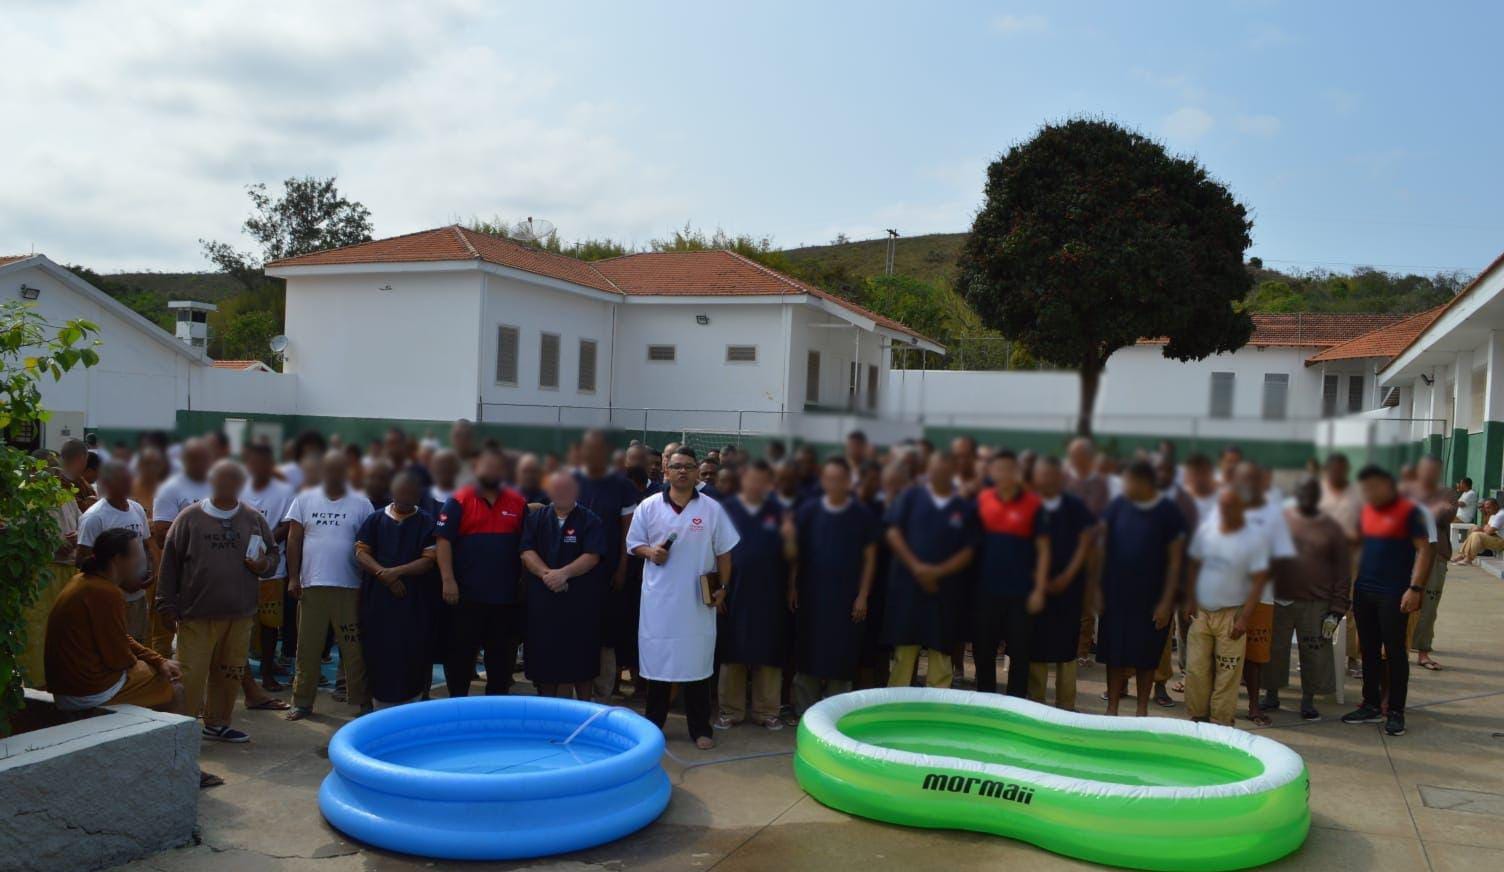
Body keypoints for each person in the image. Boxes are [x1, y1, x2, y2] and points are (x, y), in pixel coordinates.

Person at [156, 460, 277, 743]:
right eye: (221, 480)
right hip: (197, 615)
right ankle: (181, 731)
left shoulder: (253, 519)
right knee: (190, 677)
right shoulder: (188, 518)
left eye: (233, 480)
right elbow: (169, 564)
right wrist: (165, 604)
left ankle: (218, 723)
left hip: (240, 614)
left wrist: (263, 565)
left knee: (230, 671)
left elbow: (272, 556)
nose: (226, 486)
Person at [626, 448, 739, 749]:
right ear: (666, 471)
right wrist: (650, 552)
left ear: (695, 472)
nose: (683, 472)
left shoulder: (712, 509)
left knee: (697, 665)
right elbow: (634, 543)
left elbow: (725, 553)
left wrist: (723, 588)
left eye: (689, 467)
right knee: (659, 665)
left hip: (696, 603)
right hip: (660, 603)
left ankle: (700, 728)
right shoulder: (649, 507)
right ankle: (654, 725)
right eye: (677, 467)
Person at [1342, 465, 1434, 737]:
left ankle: (1395, 711)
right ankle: (1370, 704)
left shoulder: (1409, 512)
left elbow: (1425, 550)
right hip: (1364, 590)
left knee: (1394, 652)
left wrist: (1415, 588)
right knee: (1368, 650)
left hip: (1394, 592)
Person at [284, 449, 376, 720]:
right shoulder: (304, 499)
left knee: (354, 649)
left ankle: (362, 702)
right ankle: (302, 702)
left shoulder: (361, 503)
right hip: (312, 586)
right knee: (308, 648)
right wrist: (292, 577)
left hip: (350, 587)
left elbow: (369, 545)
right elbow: (293, 540)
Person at [47, 529, 182, 712]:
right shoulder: (106, 593)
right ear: (118, 559)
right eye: (136, 557)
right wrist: (154, 665)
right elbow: (119, 660)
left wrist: (157, 660)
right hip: (88, 691)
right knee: (174, 687)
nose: (140, 563)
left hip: (71, 688)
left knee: (161, 668)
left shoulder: (83, 580)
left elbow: (120, 638)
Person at [435, 447, 528, 697]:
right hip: (466, 597)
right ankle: (457, 707)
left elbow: (526, 546)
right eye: (487, 466)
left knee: (501, 663)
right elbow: (443, 542)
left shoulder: (518, 503)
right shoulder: (459, 500)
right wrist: (448, 580)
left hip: (505, 599)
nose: (492, 471)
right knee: (460, 658)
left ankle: (494, 713)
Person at [1096, 461, 1185, 717]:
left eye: (1129, 481)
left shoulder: (1168, 512)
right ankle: (1111, 709)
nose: (1125, 486)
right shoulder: (1118, 506)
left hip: (1153, 598)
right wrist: (1098, 590)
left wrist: (1167, 602)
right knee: (1114, 654)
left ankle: (1141, 710)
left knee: (1146, 657)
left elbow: (1176, 561)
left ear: (1145, 483)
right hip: (1116, 595)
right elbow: (1102, 548)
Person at [791, 458, 879, 713]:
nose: (834, 484)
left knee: (842, 656)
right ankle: (805, 712)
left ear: (848, 482)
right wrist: (792, 586)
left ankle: (835, 713)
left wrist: (863, 595)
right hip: (812, 597)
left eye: (839, 479)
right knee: (808, 653)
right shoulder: (808, 510)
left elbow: (870, 558)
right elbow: (797, 553)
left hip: (846, 598)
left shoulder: (861, 514)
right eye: (829, 478)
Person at [884, 453, 978, 689]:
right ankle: (895, 711)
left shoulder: (962, 508)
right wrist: (917, 568)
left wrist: (937, 572)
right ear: (928, 470)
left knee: (941, 655)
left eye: (946, 470)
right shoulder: (910, 497)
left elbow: (969, 550)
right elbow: (893, 532)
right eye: (936, 469)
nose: (940, 474)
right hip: (909, 589)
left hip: (944, 592)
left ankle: (938, 711)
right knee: (904, 655)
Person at [716, 461, 793, 729]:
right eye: (752, 479)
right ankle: (730, 711)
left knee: (768, 653)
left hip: (770, 593)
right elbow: (714, 552)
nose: (756, 484)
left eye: (762, 480)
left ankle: (766, 712)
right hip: (734, 591)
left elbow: (793, 557)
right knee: (732, 652)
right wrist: (720, 590)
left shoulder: (780, 511)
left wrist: (791, 538)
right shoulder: (726, 510)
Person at [1184, 489, 1271, 726]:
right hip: (1202, 611)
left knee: (1228, 674)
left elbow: (1259, 580)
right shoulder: (1206, 531)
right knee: (1196, 669)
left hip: (1232, 615)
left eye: (1231, 506)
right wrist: (1190, 599)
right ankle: (1197, 716)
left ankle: (1221, 721)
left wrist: (1245, 618)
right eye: (1222, 506)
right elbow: (1193, 565)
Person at [354, 470, 439, 708]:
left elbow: (428, 560)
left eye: (411, 494)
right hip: (378, 601)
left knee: (412, 651)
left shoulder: (426, 522)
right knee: (377, 650)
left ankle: (414, 702)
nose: (405, 498)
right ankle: (372, 703)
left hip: (414, 603)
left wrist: (397, 572)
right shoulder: (376, 519)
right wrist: (385, 575)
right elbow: (361, 552)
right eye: (401, 493)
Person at [1268, 477, 1350, 720]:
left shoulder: (1332, 528)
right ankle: (1271, 694)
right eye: (1302, 492)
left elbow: (1343, 571)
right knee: (1275, 650)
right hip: (1280, 600)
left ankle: (1308, 699)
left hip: (1316, 603)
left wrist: (1336, 609)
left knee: (1315, 652)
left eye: (1312, 493)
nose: (1307, 497)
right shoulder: (1281, 520)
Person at [520, 472, 606, 700]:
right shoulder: (536, 519)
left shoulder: (590, 520)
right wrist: (548, 575)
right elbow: (527, 551)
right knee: (545, 662)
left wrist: (564, 574)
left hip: (579, 603)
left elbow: (592, 555)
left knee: (581, 661)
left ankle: (583, 713)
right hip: (543, 602)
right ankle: (548, 713)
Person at [972, 450, 1049, 697]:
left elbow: (1044, 549)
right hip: (986, 592)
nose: (1004, 474)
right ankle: (985, 699)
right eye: (999, 469)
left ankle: (1015, 702)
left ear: (1017, 473)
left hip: (1021, 594)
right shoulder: (983, 499)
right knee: (983, 650)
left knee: (1020, 652)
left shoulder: (1033, 504)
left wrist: (1039, 589)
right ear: (992, 472)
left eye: (1009, 469)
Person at [573, 430, 641, 702]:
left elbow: (628, 531)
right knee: (577, 633)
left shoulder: (622, 486)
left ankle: (602, 695)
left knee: (605, 637)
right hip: (575, 574)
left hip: (608, 572)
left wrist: (622, 566)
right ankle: (577, 693)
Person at [1027, 457, 1096, 710]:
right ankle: (1036, 703)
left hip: (1069, 587)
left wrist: (1068, 576)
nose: (1047, 480)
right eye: (1042, 475)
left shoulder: (1074, 506)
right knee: (1037, 647)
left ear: (1061, 477)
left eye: (1052, 475)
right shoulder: (1029, 505)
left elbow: (1087, 541)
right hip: (1036, 588)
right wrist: (1039, 580)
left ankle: (1066, 705)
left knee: (1067, 648)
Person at [76, 461, 152, 642]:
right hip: (109, 599)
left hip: (139, 595)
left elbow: (146, 545)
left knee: (140, 646)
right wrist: (121, 583)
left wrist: (151, 571)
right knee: (114, 645)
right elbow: (83, 561)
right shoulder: (94, 517)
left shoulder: (137, 509)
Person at [241, 443, 296, 691]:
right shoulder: (237, 489)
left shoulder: (285, 492)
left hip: (273, 570)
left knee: (270, 625)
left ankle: (267, 671)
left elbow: (288, 525)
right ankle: (243, 676)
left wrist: (265, 543)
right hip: (240, 570)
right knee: (241, 624)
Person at [1064, 437, 1110, 668]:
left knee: (1086, 602)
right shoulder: (1065, 479)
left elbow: (1102, 518)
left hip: (1092, 550)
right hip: (1066, 550)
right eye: (1073, 455)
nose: (1076, 459)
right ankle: (1063, 648)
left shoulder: (1100, 484)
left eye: (1080, 455)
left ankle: (1081, 651)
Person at [1406, 456, 1454, 671]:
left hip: (1436, 554)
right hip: (1405, 553)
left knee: (1429, 604)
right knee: (1400, 602)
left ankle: (1423, 650)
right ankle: (1397, 649)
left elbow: (1446, 515)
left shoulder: (1448, 492)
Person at [1319, 453, 1364, 677]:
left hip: (1350, 560)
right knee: (1319, 607)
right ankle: (1318, 656)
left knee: (1350, 607)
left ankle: (1352, 658)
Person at [1453, 499, 1503, 564]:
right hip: (1496, 537)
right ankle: (1462, 555)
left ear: (1496, 506)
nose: (1487, 510)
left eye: (1489, 508)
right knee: (1474, 530)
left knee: (1476, 535)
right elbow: (1487, 527)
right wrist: (1486, 528)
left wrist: (1487, 529)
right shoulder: (1493, 514)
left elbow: (1489, 531)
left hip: (1501, 541)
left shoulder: (1501, 515)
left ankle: (1468, 558)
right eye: (1486, 508)